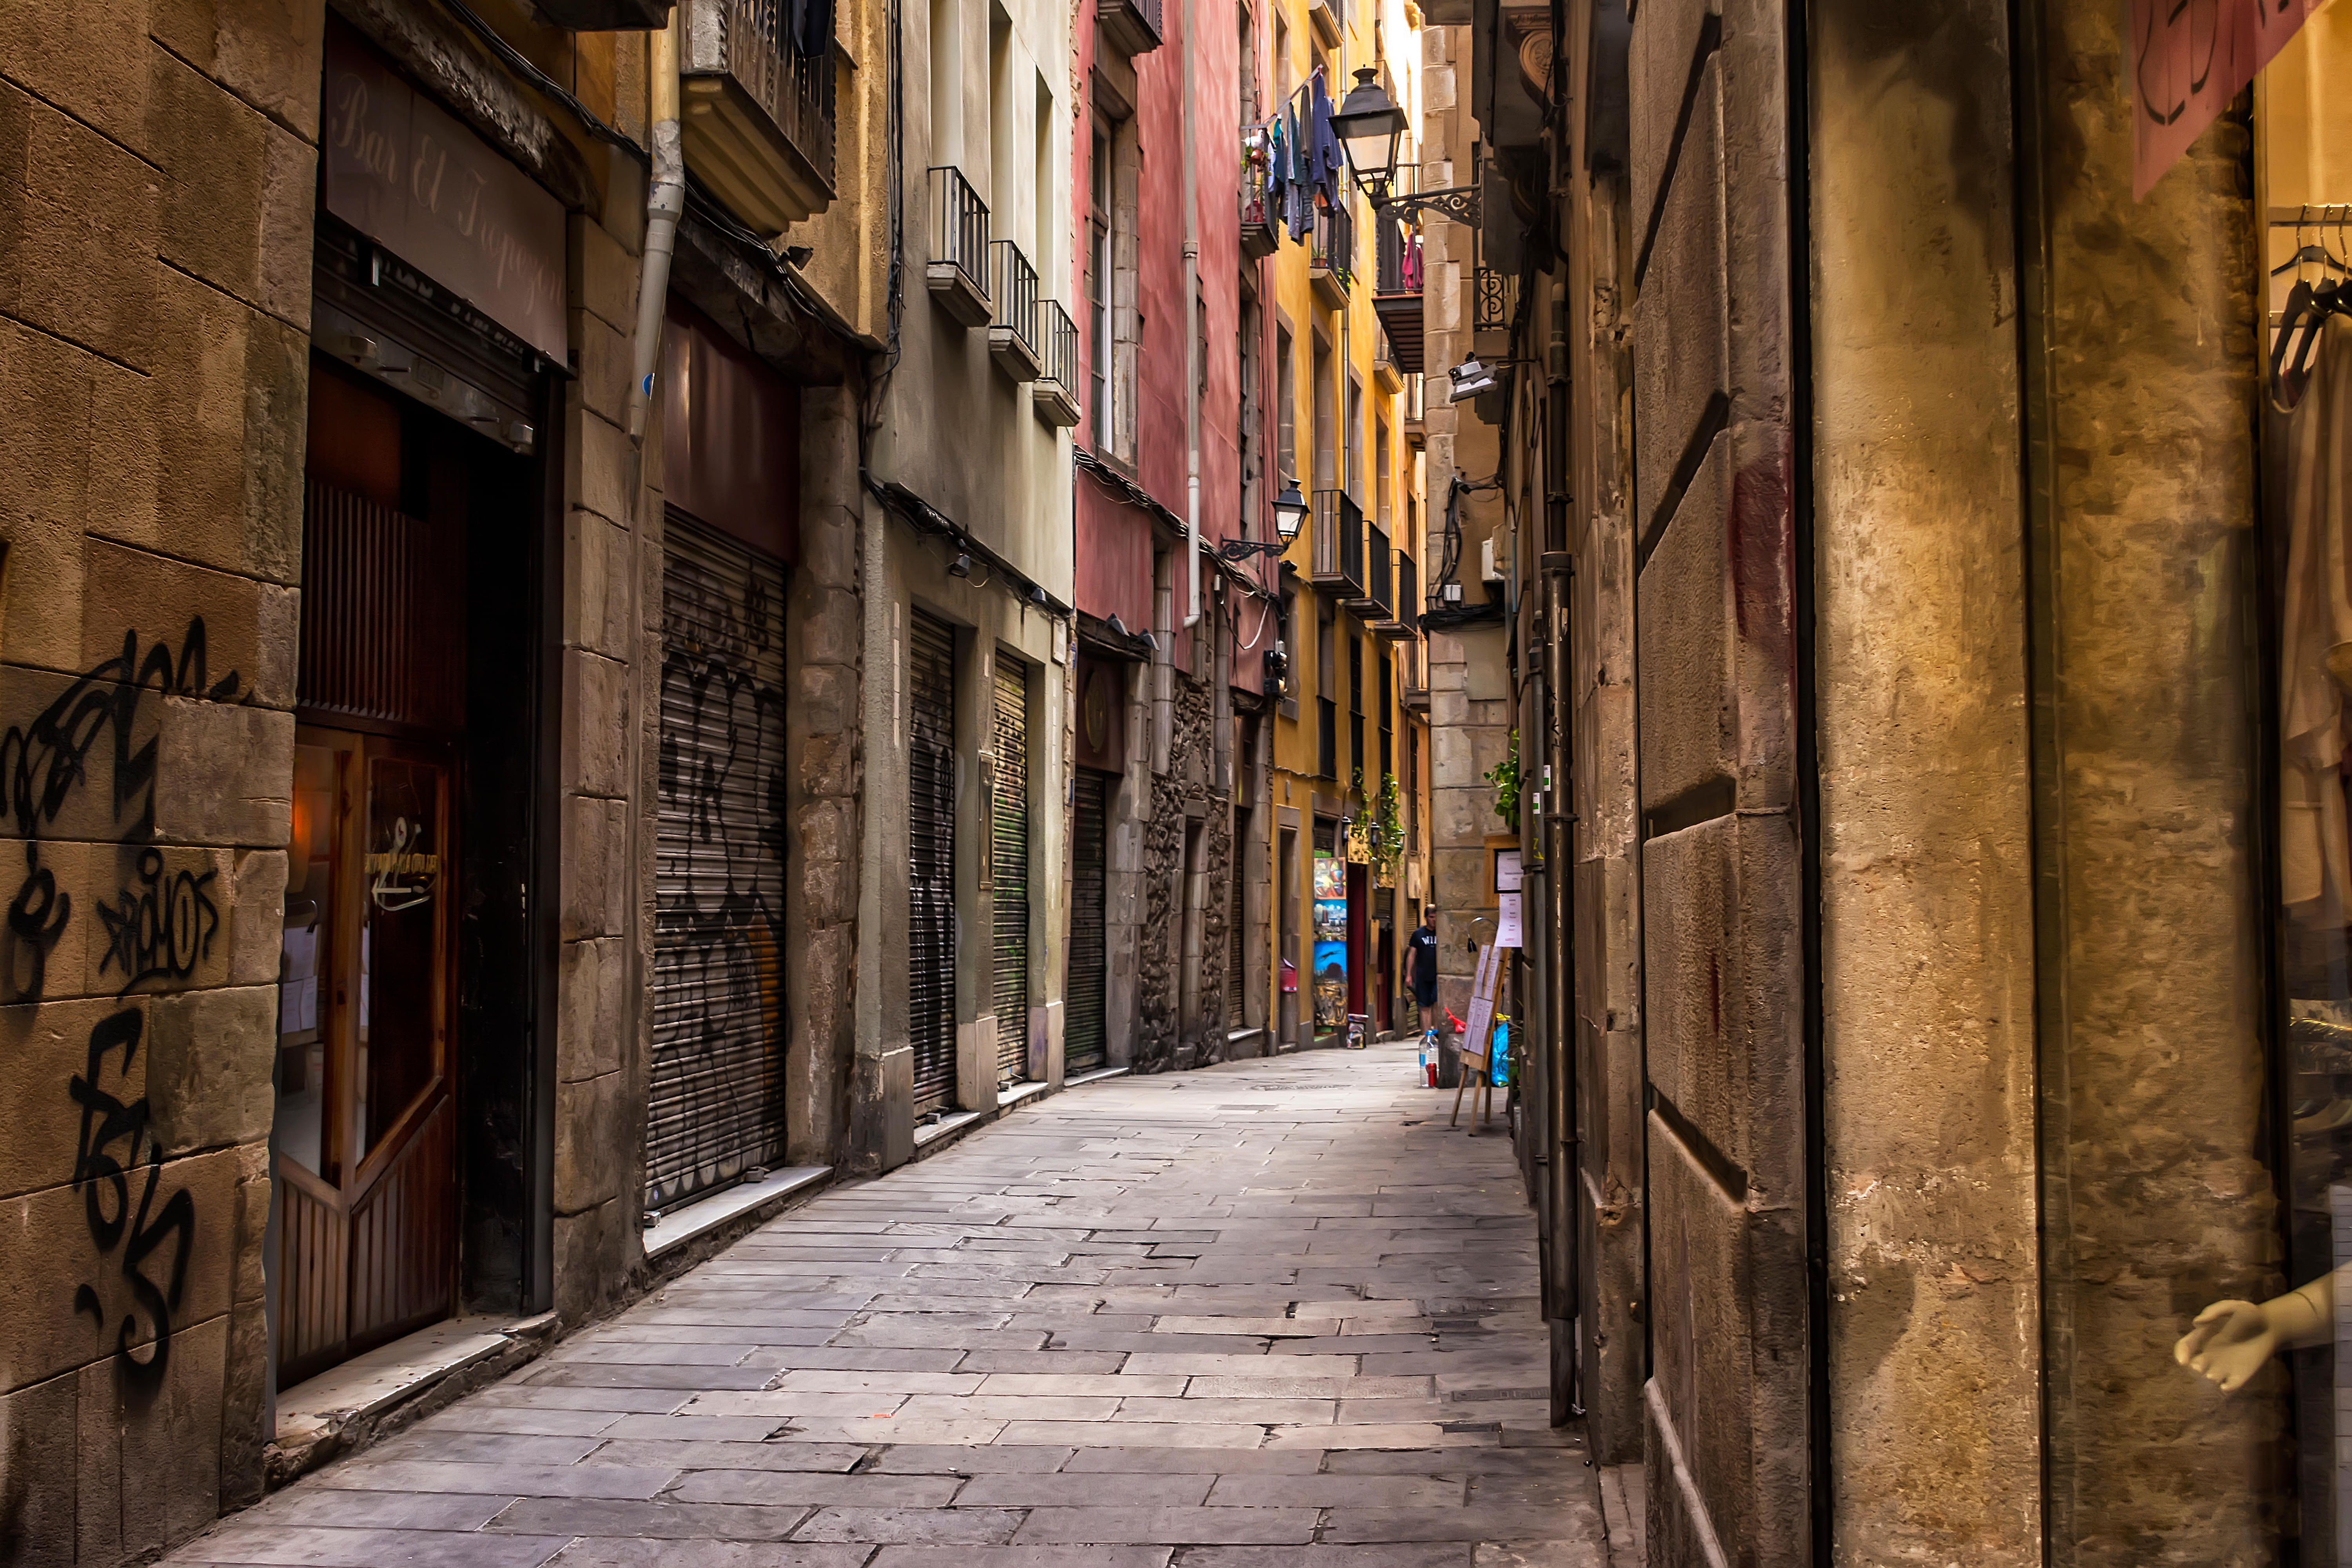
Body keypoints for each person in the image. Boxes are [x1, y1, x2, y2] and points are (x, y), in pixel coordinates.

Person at [1408, 918, 1439, 1026]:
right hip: (1423, 975)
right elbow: (1412, 954)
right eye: (1431, 917)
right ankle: (1427, 1036)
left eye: (1436, 917)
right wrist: (1409, 975)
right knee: (1424, 1006)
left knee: (1437, 1004)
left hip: (1438, 975)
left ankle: (1437, 1035)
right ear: (1426, 918)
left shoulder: (1443, 932)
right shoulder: (1418, 934)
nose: (1434, 920)